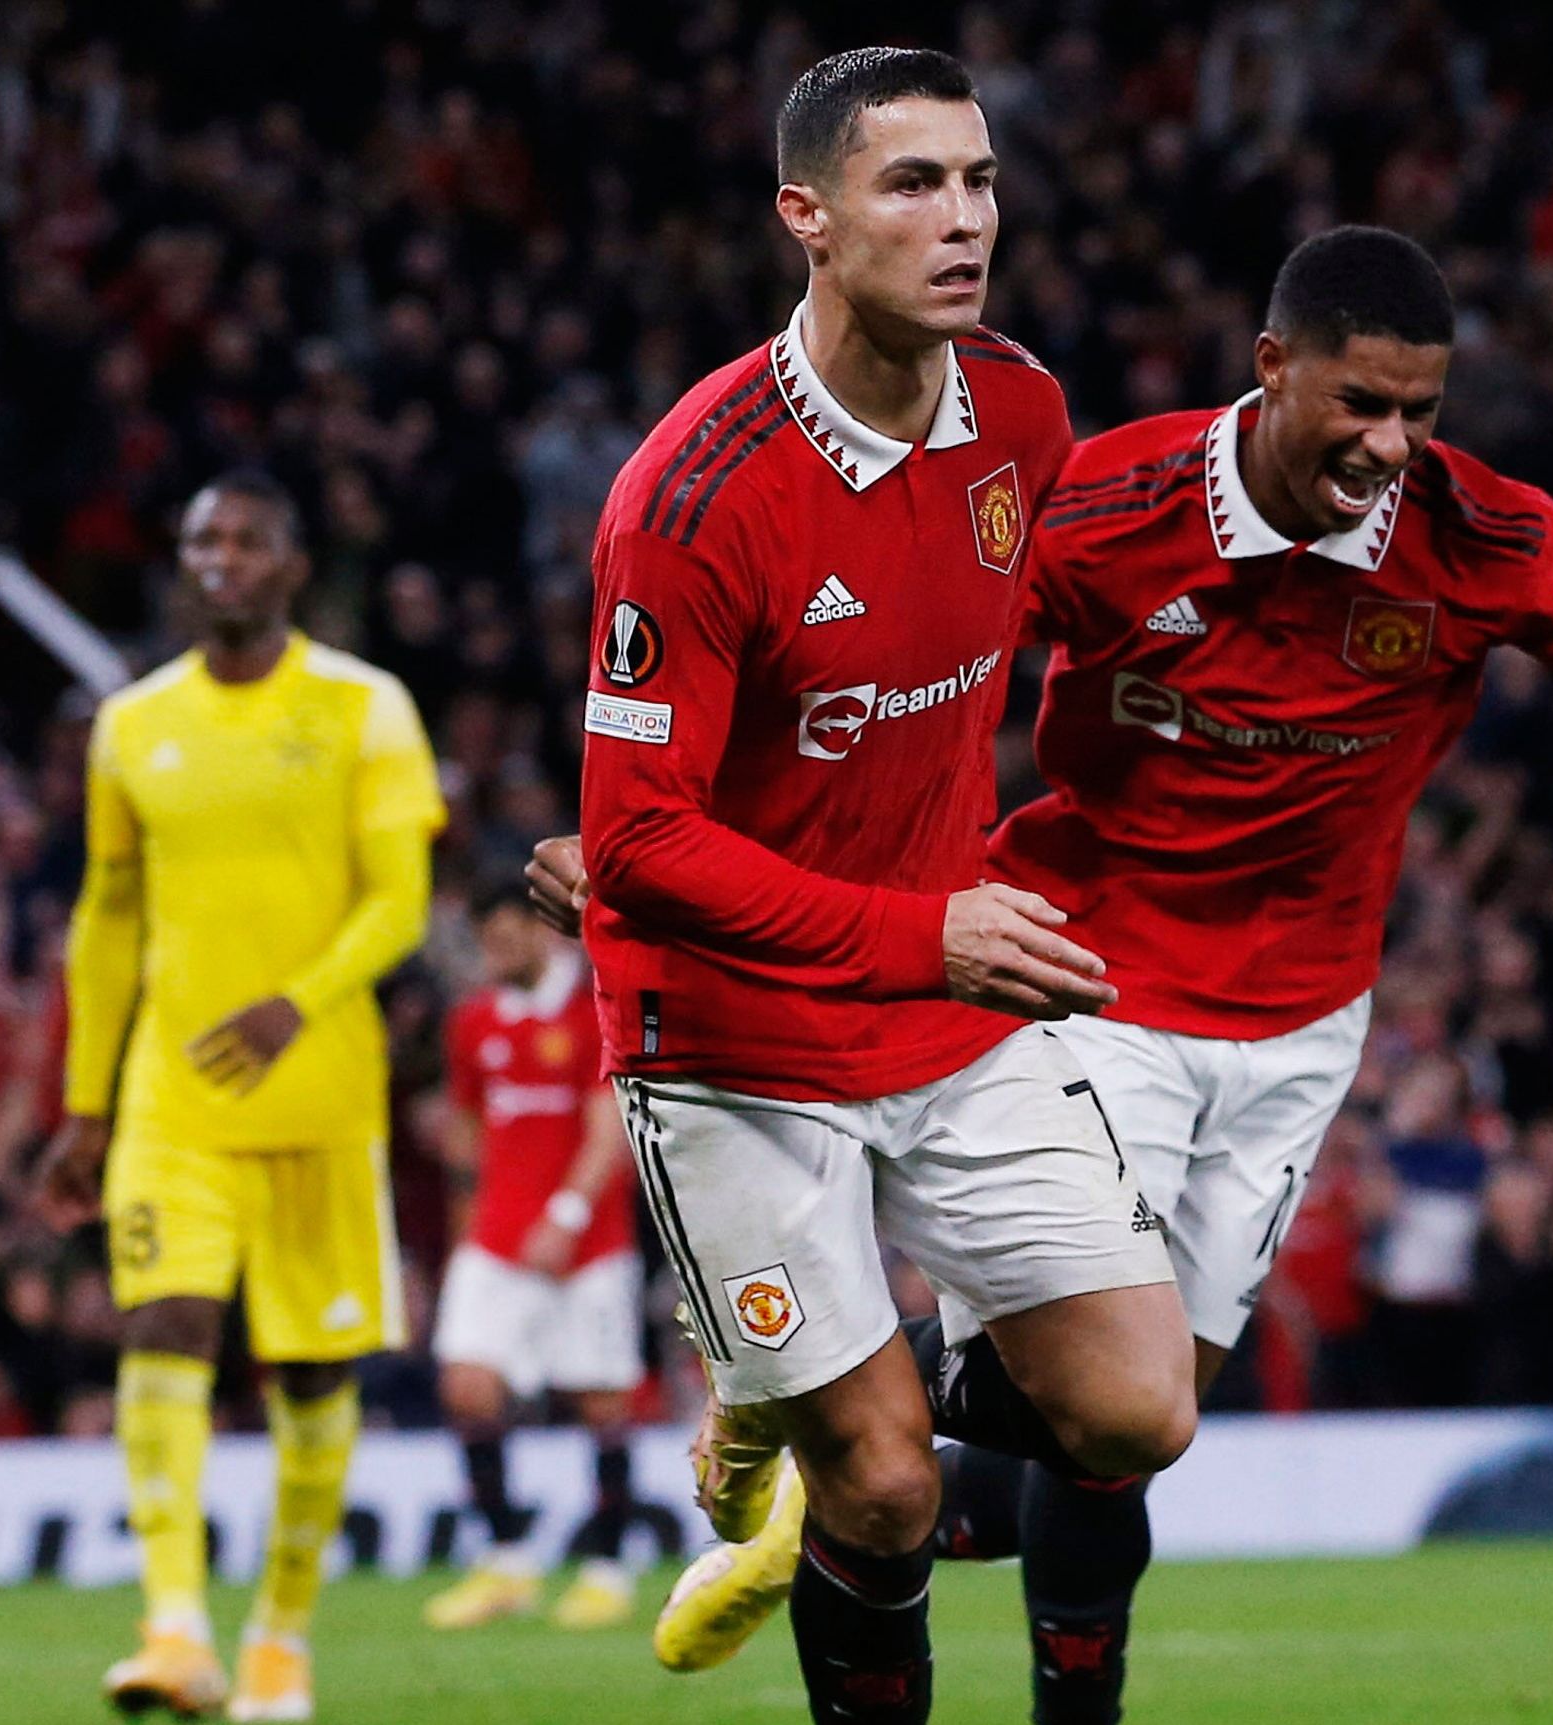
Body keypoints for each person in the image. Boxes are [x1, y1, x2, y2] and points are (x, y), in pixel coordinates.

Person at [538, 223, 1553, 1724]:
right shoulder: (1095, 504)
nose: (1389, 443)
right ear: (1271, 367)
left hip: (1297, 1025)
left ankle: (817, 1453)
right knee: (1091, 1419)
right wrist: (651, 842)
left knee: (1129, 1436)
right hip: (1082, 982)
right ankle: (841, 1435)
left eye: (1420, 410)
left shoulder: (1489, 541)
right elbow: (875, 669)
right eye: (1358, 401)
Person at [567, 48, 1190, 1725]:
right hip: (732, 1037)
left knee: (1140, 1407)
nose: (963, 218)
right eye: (912, 184)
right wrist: (928, 927)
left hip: (943, 1013)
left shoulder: (1025, 415)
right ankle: (822, 1417)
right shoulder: (688, 501)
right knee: (889, 1491)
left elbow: (1049, 631)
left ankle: (814, 1383)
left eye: (979, 181)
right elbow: (637, 843)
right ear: (807, 218)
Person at [37, 471, 446, 1722]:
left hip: (320, 1097)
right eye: (202, 539)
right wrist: (86, 1101)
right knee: (162, 1325)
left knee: (311, 1382)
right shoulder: (131, 723)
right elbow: (107, 918)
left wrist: (296, 1000)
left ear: (290, 565)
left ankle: (278, 1637)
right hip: (172, 1099)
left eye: (247, 540)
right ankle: (173, 1628)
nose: (219, 557)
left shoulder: (364, 708)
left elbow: (399, 902)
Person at [422, 885, 645, 1633]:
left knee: (599, 1400)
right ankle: (509, 1561)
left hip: (587, 1240)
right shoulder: (472, 1023)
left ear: (540, 933)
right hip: (496, 1237)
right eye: (486, 939)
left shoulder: (592, 1011)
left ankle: (608, 1568)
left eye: (505, 934)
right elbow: (464, 1128)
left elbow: (606, 1122)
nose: (495, 951)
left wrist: (568, 1213)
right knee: (467, 1386)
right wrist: (463, 1230)